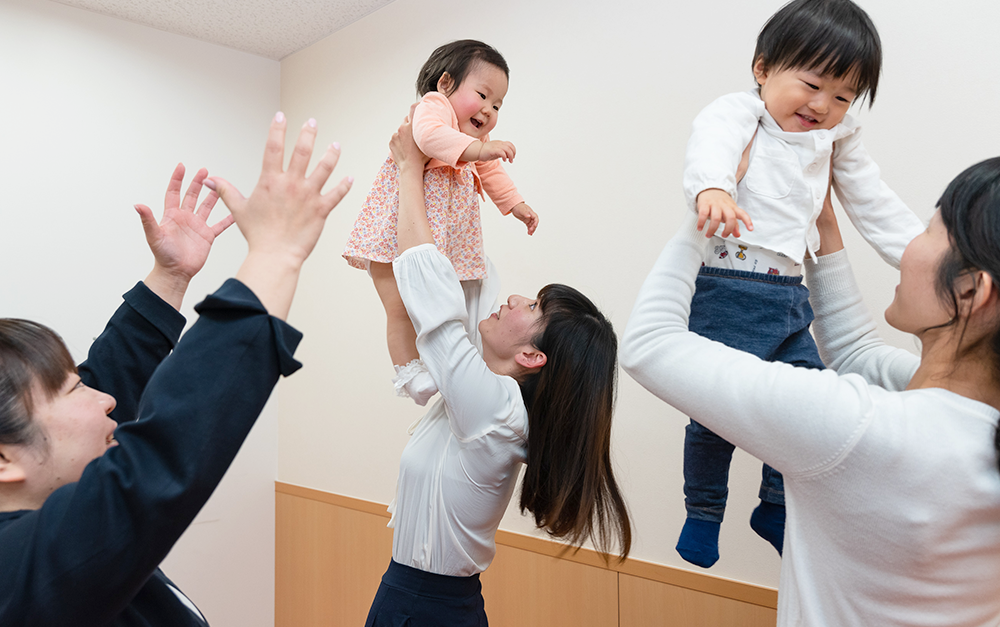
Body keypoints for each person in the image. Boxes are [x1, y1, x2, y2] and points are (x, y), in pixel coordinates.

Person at [0, 113, 351, 626]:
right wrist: (275, 255)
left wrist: (170, 277)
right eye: (74, 389)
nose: (104, 400)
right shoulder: (16, 577)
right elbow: (158, 462)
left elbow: (110, 379)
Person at [622, 158, 1000, 626]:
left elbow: (649, 344)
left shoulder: (861, 427)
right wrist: (821, 220)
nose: (908, 249)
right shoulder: (968, 416)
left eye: (928, 231)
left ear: (971, 290)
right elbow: (854, 352)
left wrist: (710, 203)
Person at [676, 0, 925, 567]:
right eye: (811, 85)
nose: (823, 105)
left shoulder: (837, 138)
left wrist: (916, 255)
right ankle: (704, 510)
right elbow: (709, 144)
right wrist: (713, 186)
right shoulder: (742, 113)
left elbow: (871, 198)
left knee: (811, 404)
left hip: (791, 296)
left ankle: (775, 503)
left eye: (842, 96)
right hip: (731, 288)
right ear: (763, 69)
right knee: (716, 414)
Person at [363, 112, 629, 626]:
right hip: (408, 593)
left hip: (429, 606)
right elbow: (472, 278)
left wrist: (408, 169)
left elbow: (438, 308)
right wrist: (461, 163)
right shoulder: (497, 395)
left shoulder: (498, 411)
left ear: (532, 357)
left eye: (532, 308)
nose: (514, 299)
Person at [343, 39, 539, 407]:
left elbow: (492, 172)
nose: (488, 109)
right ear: (446, 83)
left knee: (441, 308)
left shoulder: (474, 140)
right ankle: (409, 372)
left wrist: (517, 205)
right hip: (392, 235)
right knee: (399, 308)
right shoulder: (433, 108)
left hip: (437, 239)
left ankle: (440, 367)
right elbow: (427, 137)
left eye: (497, 104)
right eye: (482, 94)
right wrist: (480, 148)